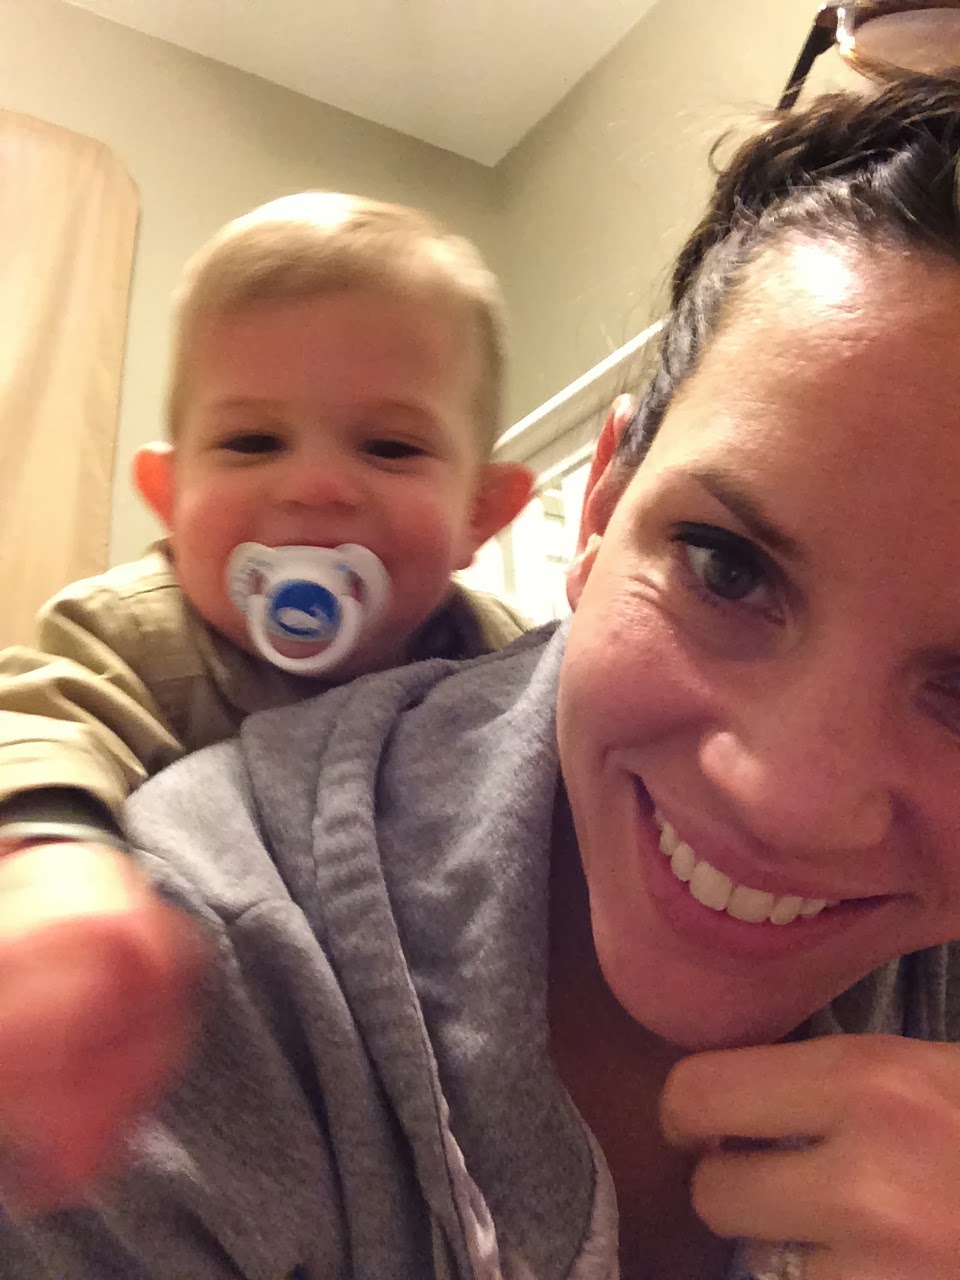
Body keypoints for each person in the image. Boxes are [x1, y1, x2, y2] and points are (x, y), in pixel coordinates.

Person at [7, 74, 960, 1280]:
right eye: (726, 566)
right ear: (599, 507)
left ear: (489, 511)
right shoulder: (197, 950)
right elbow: (41, 713)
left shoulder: (481, 633)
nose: (786, 797)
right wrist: (50, 861)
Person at [0, 191, 533, 855]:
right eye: (252, 442)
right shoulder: (130, 637)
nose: (314, 488)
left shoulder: (502, 658)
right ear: (170, 497)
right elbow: (39, 728)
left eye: (390, 447)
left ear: (479, 512)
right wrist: (53, 851)